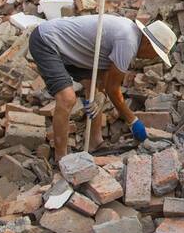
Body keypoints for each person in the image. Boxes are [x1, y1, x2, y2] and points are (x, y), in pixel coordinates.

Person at [29, 14, 176, 161]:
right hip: (47, 41)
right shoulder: (128, 42)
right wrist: (132, 121)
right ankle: (62, 159)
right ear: (149, 44)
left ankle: (95, 142)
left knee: (93, 89)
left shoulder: (130, 33)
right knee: (67, 98)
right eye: (156, 54)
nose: (153, 58)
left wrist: (101, 92)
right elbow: (113, 89)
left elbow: (104, 73)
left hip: (71, 49)